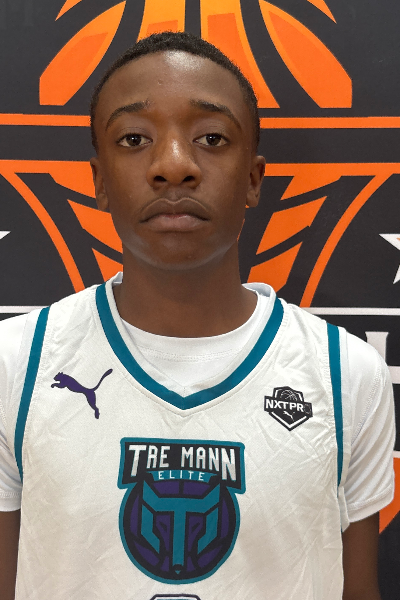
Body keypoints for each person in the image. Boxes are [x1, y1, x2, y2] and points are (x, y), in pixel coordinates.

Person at [0, 32, 395, 600]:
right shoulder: (17, 363)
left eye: (211, 138)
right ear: (99, 182)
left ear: (253, 179)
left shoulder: (345, 373)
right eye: (134, 139)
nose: (173, 166)